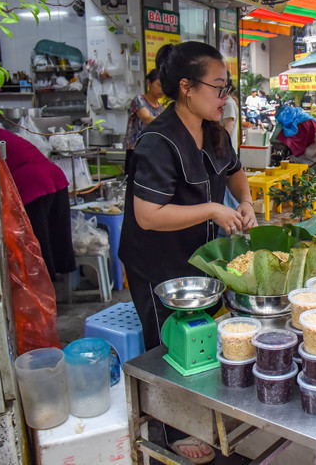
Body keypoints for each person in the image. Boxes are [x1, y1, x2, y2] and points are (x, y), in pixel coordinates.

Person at [119, 41, 257, 464]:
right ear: (185, 87)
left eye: (227, 87)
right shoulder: (158, 141)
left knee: (200, 334)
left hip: (199, 255)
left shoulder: (215, 130)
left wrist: (246, 201)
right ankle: (168, 427)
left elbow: (234, 173)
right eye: (218, 87)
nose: (225, 97)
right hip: (157, 260)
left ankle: (198, 407)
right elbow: (147, 215)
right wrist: (214, 208)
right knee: (167, 342)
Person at [0, 127, 75, 281]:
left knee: (37, 240)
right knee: (53, 235)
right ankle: (56, 288)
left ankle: (45, 290)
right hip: (53, 174)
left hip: (32, 183)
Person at [125, 69, 165, 172]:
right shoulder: (139, 100)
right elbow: (146, 118)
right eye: (159, 85)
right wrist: (167, 122)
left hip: (153, 151)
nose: (162, 89)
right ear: (148, 83)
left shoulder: (161, 107)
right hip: (136, 150)